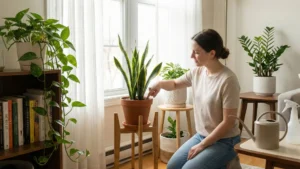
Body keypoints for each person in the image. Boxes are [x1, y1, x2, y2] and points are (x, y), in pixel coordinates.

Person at [148, 29, 241, 169]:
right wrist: (159, 84)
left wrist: (201, 146)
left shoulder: (228, 80)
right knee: (172, 166)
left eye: (196, 52)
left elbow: (229, 122)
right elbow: (174, 84)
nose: (192, 56)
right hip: (202, 135)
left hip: (225, 141)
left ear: (212, 53)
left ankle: (228, 160)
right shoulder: (197, 72)